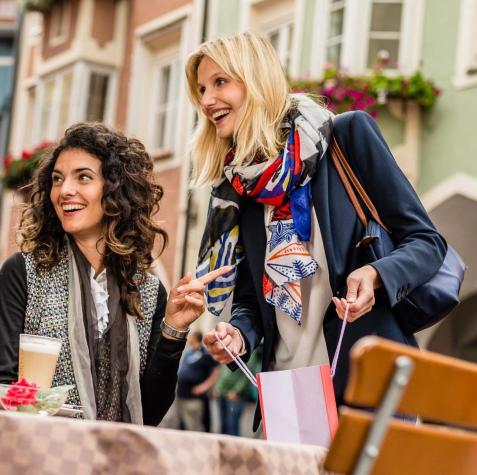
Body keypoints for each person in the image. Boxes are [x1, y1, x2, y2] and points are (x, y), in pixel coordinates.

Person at [186, 33, 447, 431]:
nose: (206, 101)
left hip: (367, 386)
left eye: (220, 82)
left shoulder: (348, 137)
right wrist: (237, 334)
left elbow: (427, 242)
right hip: (289, 397)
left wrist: (377, 274)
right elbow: (252, 301)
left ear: (256, 81)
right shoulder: (241, 186)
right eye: (202, 89)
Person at [0, 122, 229, 425]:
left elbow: (150, 413)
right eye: (57, 179)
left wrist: (173, 329)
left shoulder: (147, 291)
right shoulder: (24, 273)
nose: (65, 190)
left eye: (83, 177)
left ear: (116, 190)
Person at [169, 331, 220, 432]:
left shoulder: (205, 354)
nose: (188, 338)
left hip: (194, 398)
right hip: (181, 395)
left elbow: (216, 372)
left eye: (191, 336)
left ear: (196, 338)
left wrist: (204, 387)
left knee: (193, 426)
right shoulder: (188, 352)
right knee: (180, 425)